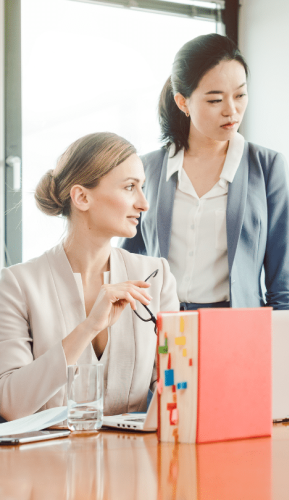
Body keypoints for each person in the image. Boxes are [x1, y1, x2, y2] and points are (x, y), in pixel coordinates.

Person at [0, 132, 179, 421]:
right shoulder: (17, 285)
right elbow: (11, 404)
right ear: (82, 197)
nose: (144, 204)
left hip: (134, 460)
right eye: (130, 187)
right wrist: (89, 327)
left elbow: (176, 386)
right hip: (45, 463)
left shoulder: (156, 278)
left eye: (143, 187)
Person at [121, 34, 289, 310]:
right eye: (215, 100)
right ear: (183, 102)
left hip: (237, 330)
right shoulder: (147, 169)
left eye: (240, 95)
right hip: (159, 327)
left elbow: (283, 284)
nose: (232, 111)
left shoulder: (268, 167)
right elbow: (127, 262)